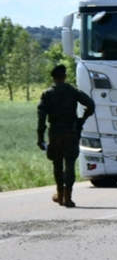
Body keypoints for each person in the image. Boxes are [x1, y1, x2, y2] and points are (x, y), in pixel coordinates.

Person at [37, 65, 95, 208]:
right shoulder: (73, 91)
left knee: (57, 163)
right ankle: (68, 198)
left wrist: (40, 137)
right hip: (71, 132)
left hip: (55, 133)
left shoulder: (47, 94)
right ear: (65, 76)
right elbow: (91, 105)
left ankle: (60, 194)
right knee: (69, 164)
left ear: (53, 78)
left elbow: (41, 118)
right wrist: (81, 120)